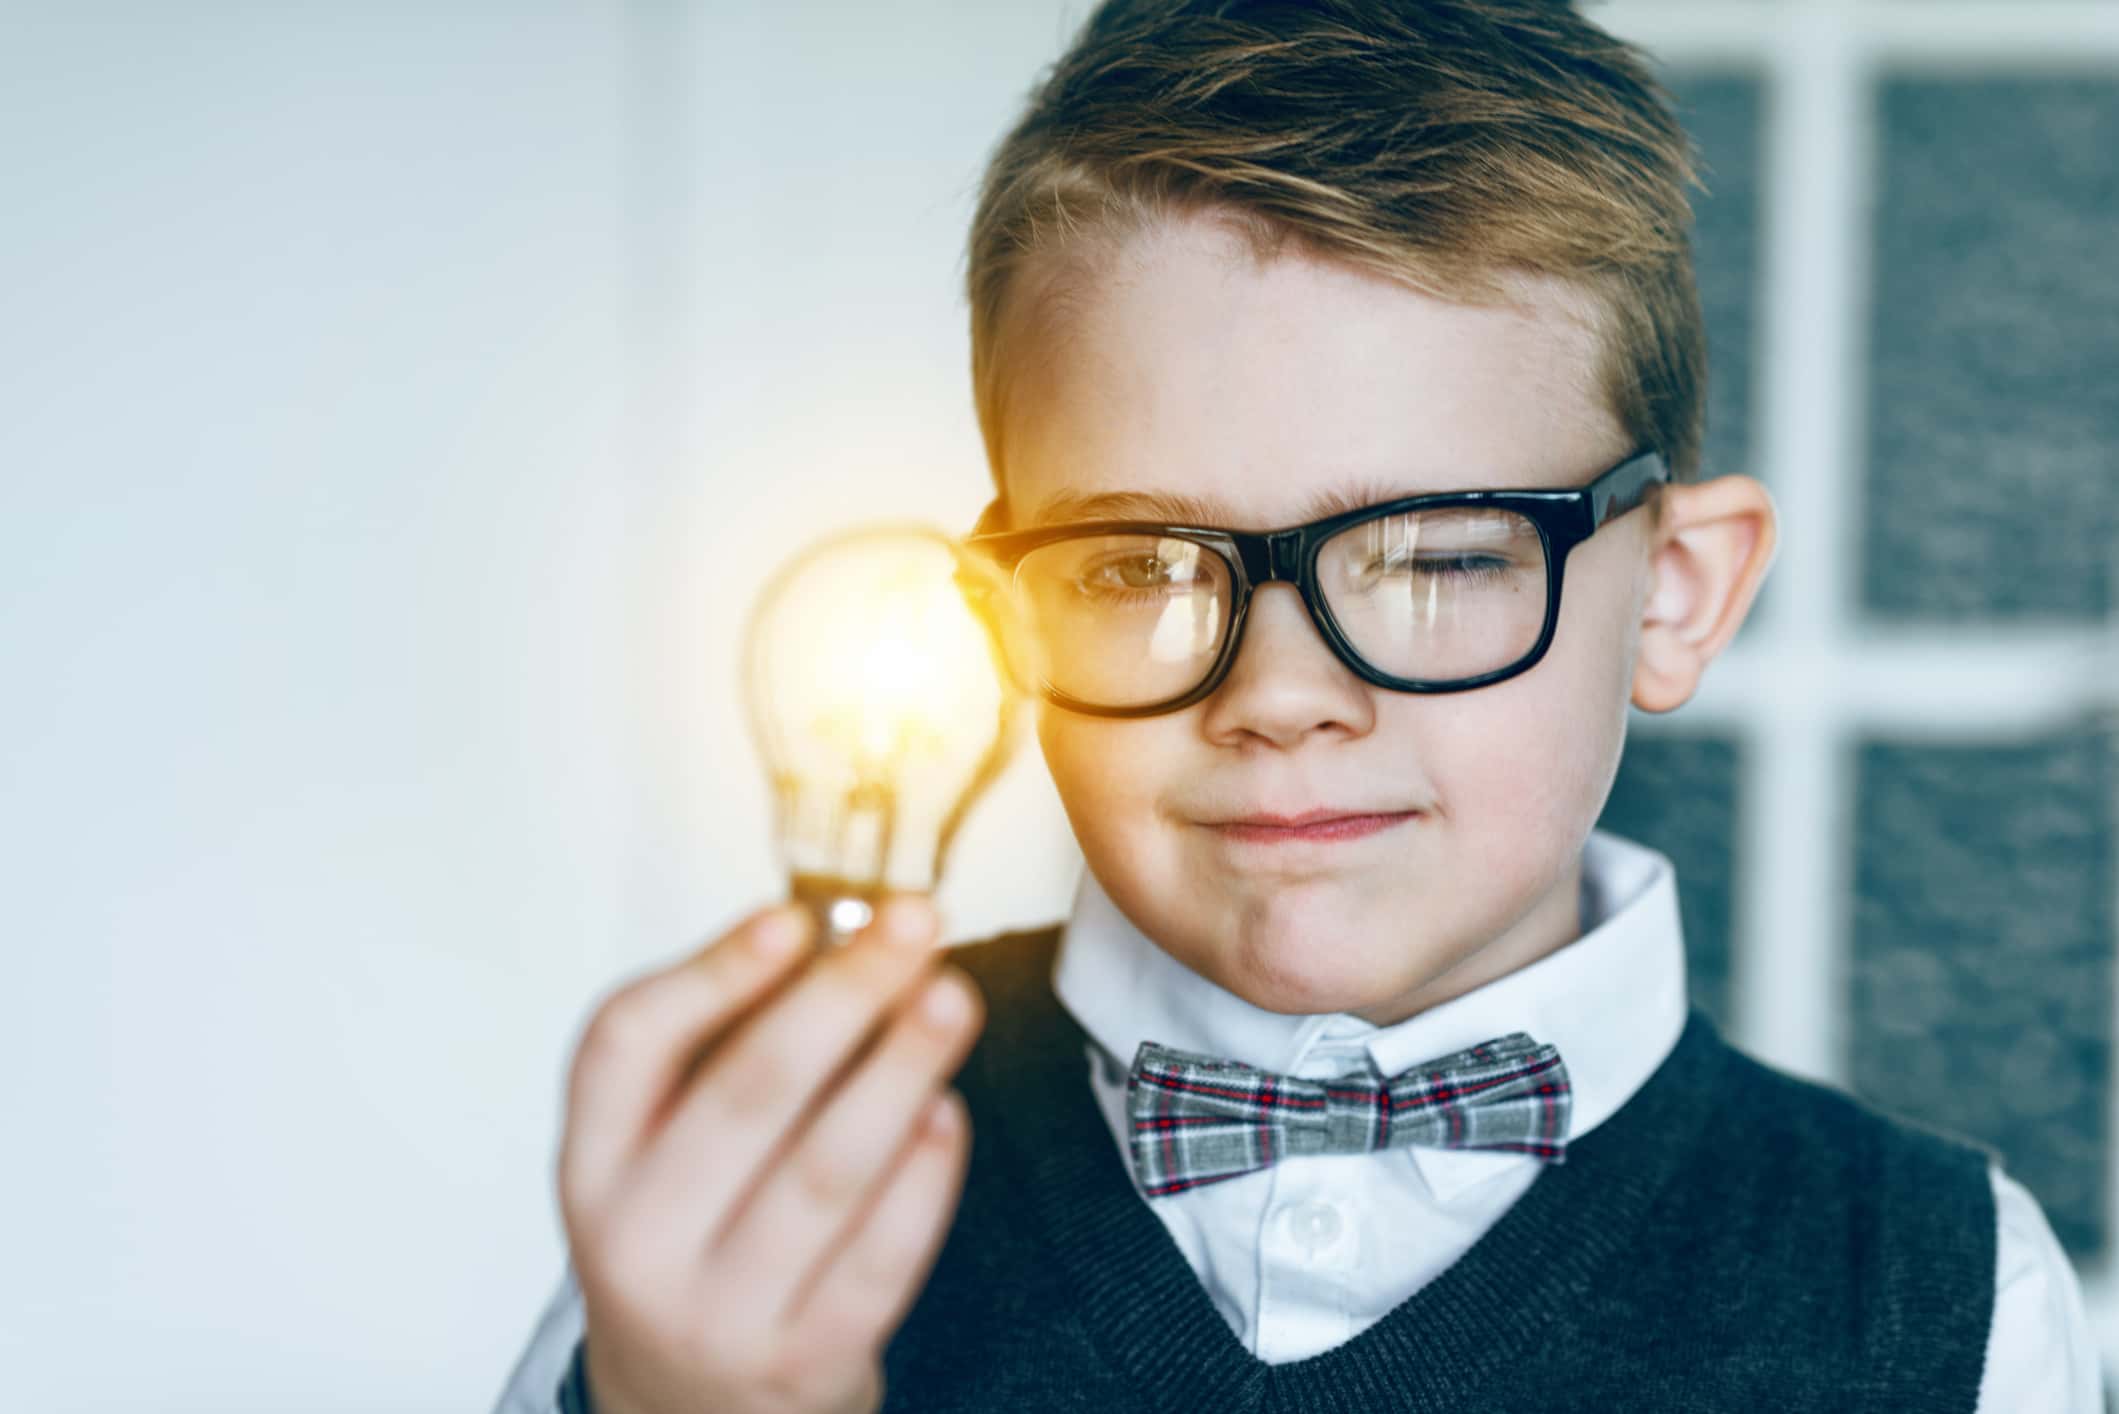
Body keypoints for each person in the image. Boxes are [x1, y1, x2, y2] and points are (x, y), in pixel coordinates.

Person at [493, 2, 2101, 1409]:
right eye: (1135, 567)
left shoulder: (1947, 1296)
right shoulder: (755, 1224)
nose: (1278, 697)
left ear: (1672, 595)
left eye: (1435, 558)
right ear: (1004, 622)